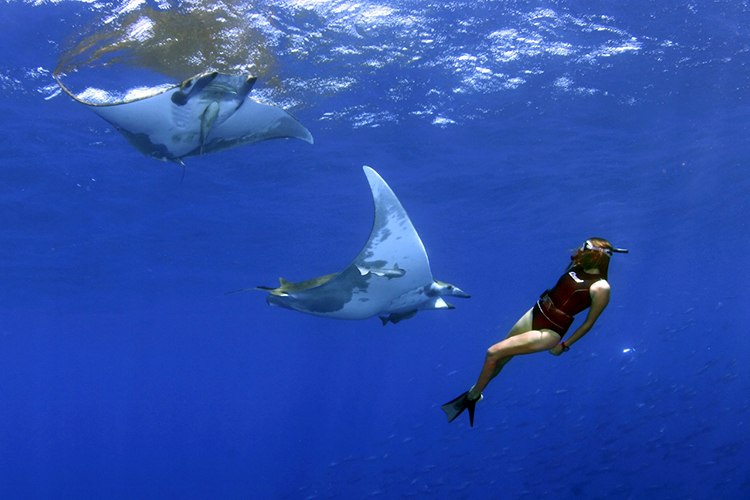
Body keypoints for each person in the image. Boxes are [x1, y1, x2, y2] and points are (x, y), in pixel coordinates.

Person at [442, 238, 628, 427]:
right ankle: (475, 393)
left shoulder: (601, 287)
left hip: (550, 332)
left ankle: (473, 395)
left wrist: (564, 345)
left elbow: (589, 323)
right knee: (502, 358)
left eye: (585, 247)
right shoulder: (576, 267)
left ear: (595, 254)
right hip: (536, 312)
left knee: (493, 353)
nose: (580, 249)